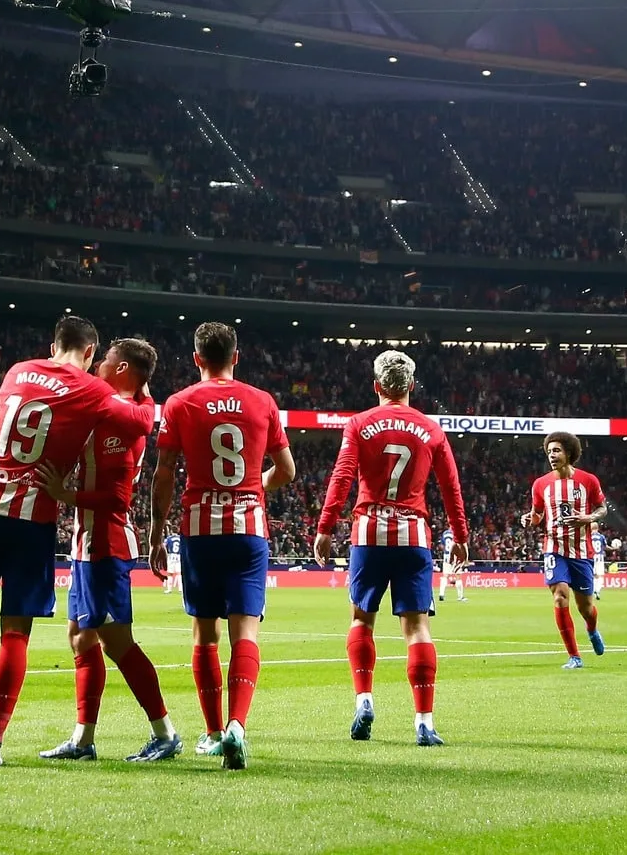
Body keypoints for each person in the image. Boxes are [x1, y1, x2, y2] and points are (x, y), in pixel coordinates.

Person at [0, 316, 156, 768]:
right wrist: (147, 391)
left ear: (52, 344)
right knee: (15, 630)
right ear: (91, 353)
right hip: (31, 513)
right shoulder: (92, 389)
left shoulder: (17, 371)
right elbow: (139, 422)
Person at [149, 321, 296, 771]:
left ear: (197, 358)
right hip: (248, 528)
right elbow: (286, 470)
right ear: (237, 355)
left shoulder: (179, 403)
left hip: (198, 530)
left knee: (204, 635)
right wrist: (256, 487)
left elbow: (164, 473)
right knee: (245, 632)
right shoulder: (262, 401)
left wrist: (157, 532)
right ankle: (237, 725)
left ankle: (212, 733)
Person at [33, 338, 182, 764]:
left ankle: (165, 732)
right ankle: (83, 741)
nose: (98, 364)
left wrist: (67, 493)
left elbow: (116, 500)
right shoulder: (118, 409)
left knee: (119, 643)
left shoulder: (122, 420)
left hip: (108, 545)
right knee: (80, 638)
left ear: (121, 370)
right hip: (85, 546)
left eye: (106, 360)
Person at [313, 350, 468, 747]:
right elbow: (450, 487)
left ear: (377, 386)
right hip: (414, 535)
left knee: (361, 620)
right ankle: (424, 722)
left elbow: (343, 475)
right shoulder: (431, 430)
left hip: (368, 534)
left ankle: (364, 699)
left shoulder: (360, 424)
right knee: (417, 629)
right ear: (412, 387)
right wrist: (461, 536)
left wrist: (326, 526)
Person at [522, 430, 608, 669]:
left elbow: (603, 509)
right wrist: (530, 519)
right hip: (554, 548)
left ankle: (591, 629)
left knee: (586, 608)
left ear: (569, 452)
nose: (552, 455)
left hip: (581, 552)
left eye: (557, 450)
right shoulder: (541, 484)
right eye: (549, 451)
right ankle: (574, 656)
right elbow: (537, 515)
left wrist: (588, 517)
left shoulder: (588, 480)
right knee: (560, 597)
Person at [439, 526, 469, 603]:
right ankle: (460, 597)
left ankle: (441, 594)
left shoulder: (445, 533)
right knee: (458, 576)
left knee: (445, 575)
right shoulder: (457, 533)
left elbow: (442, 546)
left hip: (446, 557)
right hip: (455, 556)